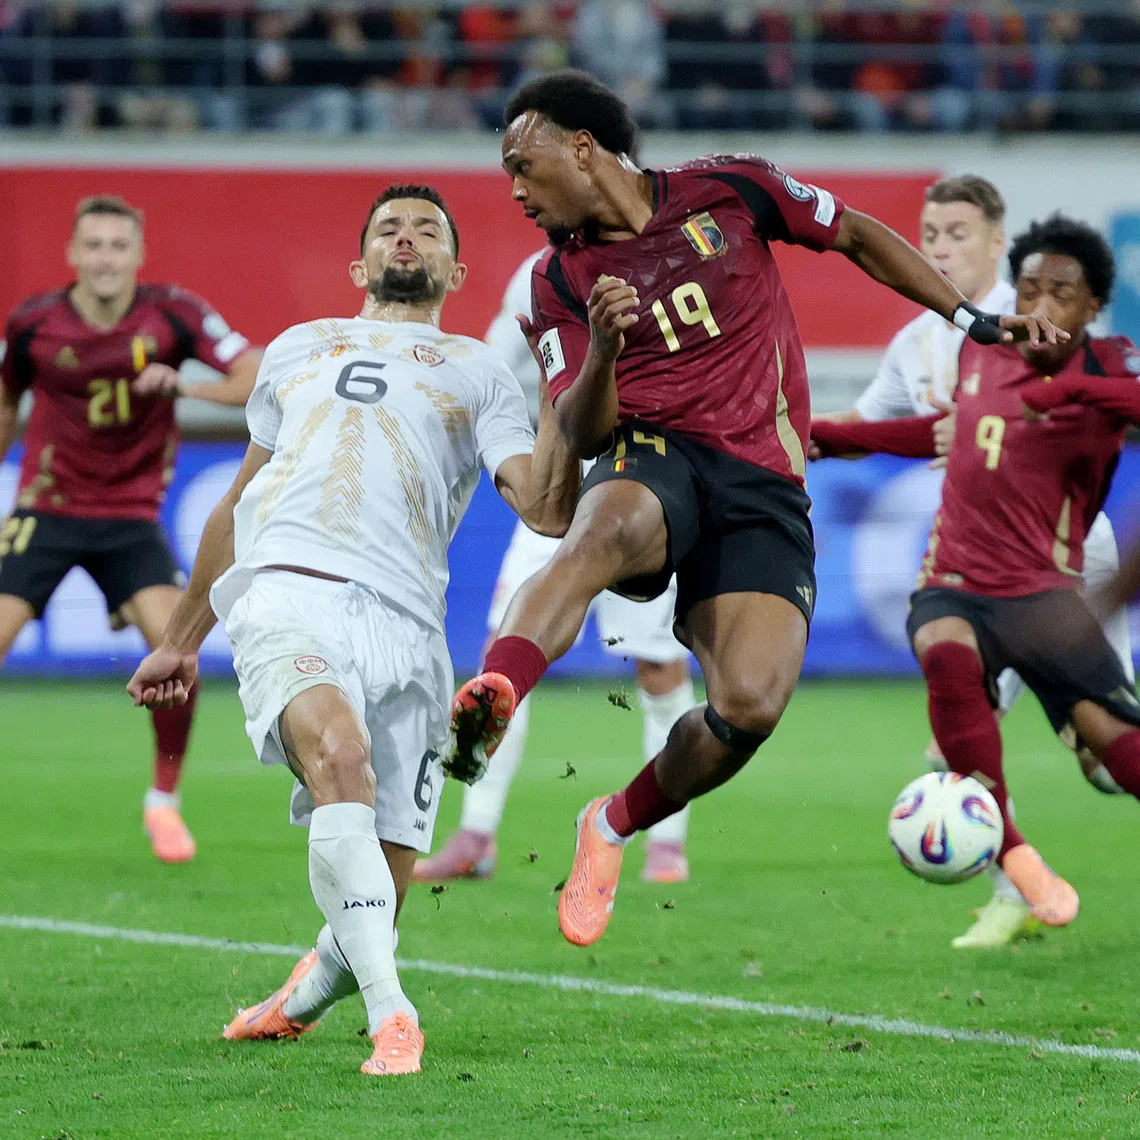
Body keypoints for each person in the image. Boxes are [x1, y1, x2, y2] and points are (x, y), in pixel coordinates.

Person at [445, 69, 1061, 949]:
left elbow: (850, 232)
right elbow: (585, 431)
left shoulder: (731, 189)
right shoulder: (558, 282)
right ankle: (497, 690)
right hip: (652, 451)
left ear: (582, 147)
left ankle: (613, 823)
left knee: (750, 708)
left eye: (522, 160)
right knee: (600, 530)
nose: (512, 188)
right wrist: (606, 352)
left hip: (764, 483)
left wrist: (970, 319)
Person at [126, 185, 579, 1076]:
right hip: (290, 591)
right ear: (358, 263)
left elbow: (544, 505)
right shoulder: (298, 348)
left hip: (410, 626)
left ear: (455, 268)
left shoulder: (480, 373)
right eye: (388, 228)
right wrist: (181, 636)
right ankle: (394, 1017)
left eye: (427, 231)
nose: (405, 239)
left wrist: (562, 388)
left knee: (382, 880)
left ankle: (298, 1001)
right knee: (339, 757)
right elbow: (239, 501)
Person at [822, 174, 1134, 949]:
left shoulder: (1111, 362)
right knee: (943, 653)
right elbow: (944, 426)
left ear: (1092, 305)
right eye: (1030, 289)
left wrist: (1068, 395)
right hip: (954, 578)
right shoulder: (980, 346)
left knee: (1110, 757)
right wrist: (830, 436)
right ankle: (1017, 865)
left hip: (1050, 594)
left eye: (1061, 292)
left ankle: (1035, 831)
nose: (1039, 305)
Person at [414, 251, 697, 887]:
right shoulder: (542, 269)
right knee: (502, 665)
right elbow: (495, 361)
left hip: (646, 491)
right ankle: (475, 835)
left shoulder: (668, 254)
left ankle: (666, 842)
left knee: (657, 665)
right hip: (562, 493)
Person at [0, 194, 259, 863]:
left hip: (130, 521)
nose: (105, 258)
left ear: (138, 255)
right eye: (93, 246)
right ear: (73, 255)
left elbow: (254, 372)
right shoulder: (33, 324)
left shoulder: (173, 314)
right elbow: (7, 396)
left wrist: (185, 387)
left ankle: (163, 802)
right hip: (47, 510)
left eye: (118, 246)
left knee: (178, 654)